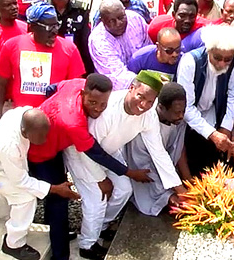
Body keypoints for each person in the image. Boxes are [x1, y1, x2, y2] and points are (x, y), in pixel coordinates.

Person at [67, 72, 185, 259]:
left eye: (150, 101)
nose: (144, 105)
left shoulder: (148, 115)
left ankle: (102, 226)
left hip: (110, 152)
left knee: (124, 189)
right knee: (96, 198)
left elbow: (159, 153)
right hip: (82, 154)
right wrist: (101, 179)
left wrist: (179, 188)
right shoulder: (108, 110)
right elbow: (89, 149)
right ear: (132, 88)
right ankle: (87, 244)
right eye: (141, 97)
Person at [30, 74, 145, 260]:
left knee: (58, 199)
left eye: (103, 104)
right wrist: (127, 172)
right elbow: (96, 153)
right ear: (83, 93)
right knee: (59, 200)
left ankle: (62, 230)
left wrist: (48, 110)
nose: (98, 109)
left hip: (59, 145)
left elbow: (51, 88)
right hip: (41, 153)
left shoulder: (76, 83)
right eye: (92, 102)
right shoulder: (74, 122)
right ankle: (61, 255)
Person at [0, 107, 80, 260]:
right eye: (40, 136)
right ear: (24, 130)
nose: (45, 139)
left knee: (5, 191)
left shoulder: (26, 113)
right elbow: (20, 181)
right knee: (24, 197)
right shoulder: (9, 144)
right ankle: (13, 244)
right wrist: (54, 189)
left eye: (46, 133)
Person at [0, 1, 85, 122]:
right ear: (32, 27)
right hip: (21, 119)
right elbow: (0, 84)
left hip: (56, 120)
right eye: (48, 27)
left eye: (56, 25)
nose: (54, 31)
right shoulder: (12, 46)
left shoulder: (69, 49)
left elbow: (76, 88)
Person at [176, 25, 234, 176]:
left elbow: (232, 95)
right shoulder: (190, 62)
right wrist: (213, 134)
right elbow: (186, 107)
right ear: (209, 50)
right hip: (186, 120)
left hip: (215, 114)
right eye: (217, 58)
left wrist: (225, 128)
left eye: (227, 59)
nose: (221, 64)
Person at [124, 82, 190, 216]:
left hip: (167, 169)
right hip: (142, 171)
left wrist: (188, 181)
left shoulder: (178, 120)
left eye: (183, 111)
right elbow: (145, 165)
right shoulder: (143, 125)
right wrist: (170, 196)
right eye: (177, 112)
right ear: (161, 107)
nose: (181, 116)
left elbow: (178, 149)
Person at [89, 0, 151, 90]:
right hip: (116, 91)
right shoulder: (99, 40)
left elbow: (149, 52)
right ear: (102, 20)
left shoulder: (136, 19)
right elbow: (118, 77)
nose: (118, 23)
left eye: (121, 17)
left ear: (125, 11)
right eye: (111, 21)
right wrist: (150, 85)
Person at [45, 0, 94, 74]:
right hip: (48, 63)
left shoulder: (81, 10)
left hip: (72, 64)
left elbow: (85, 45)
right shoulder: (42, 10)